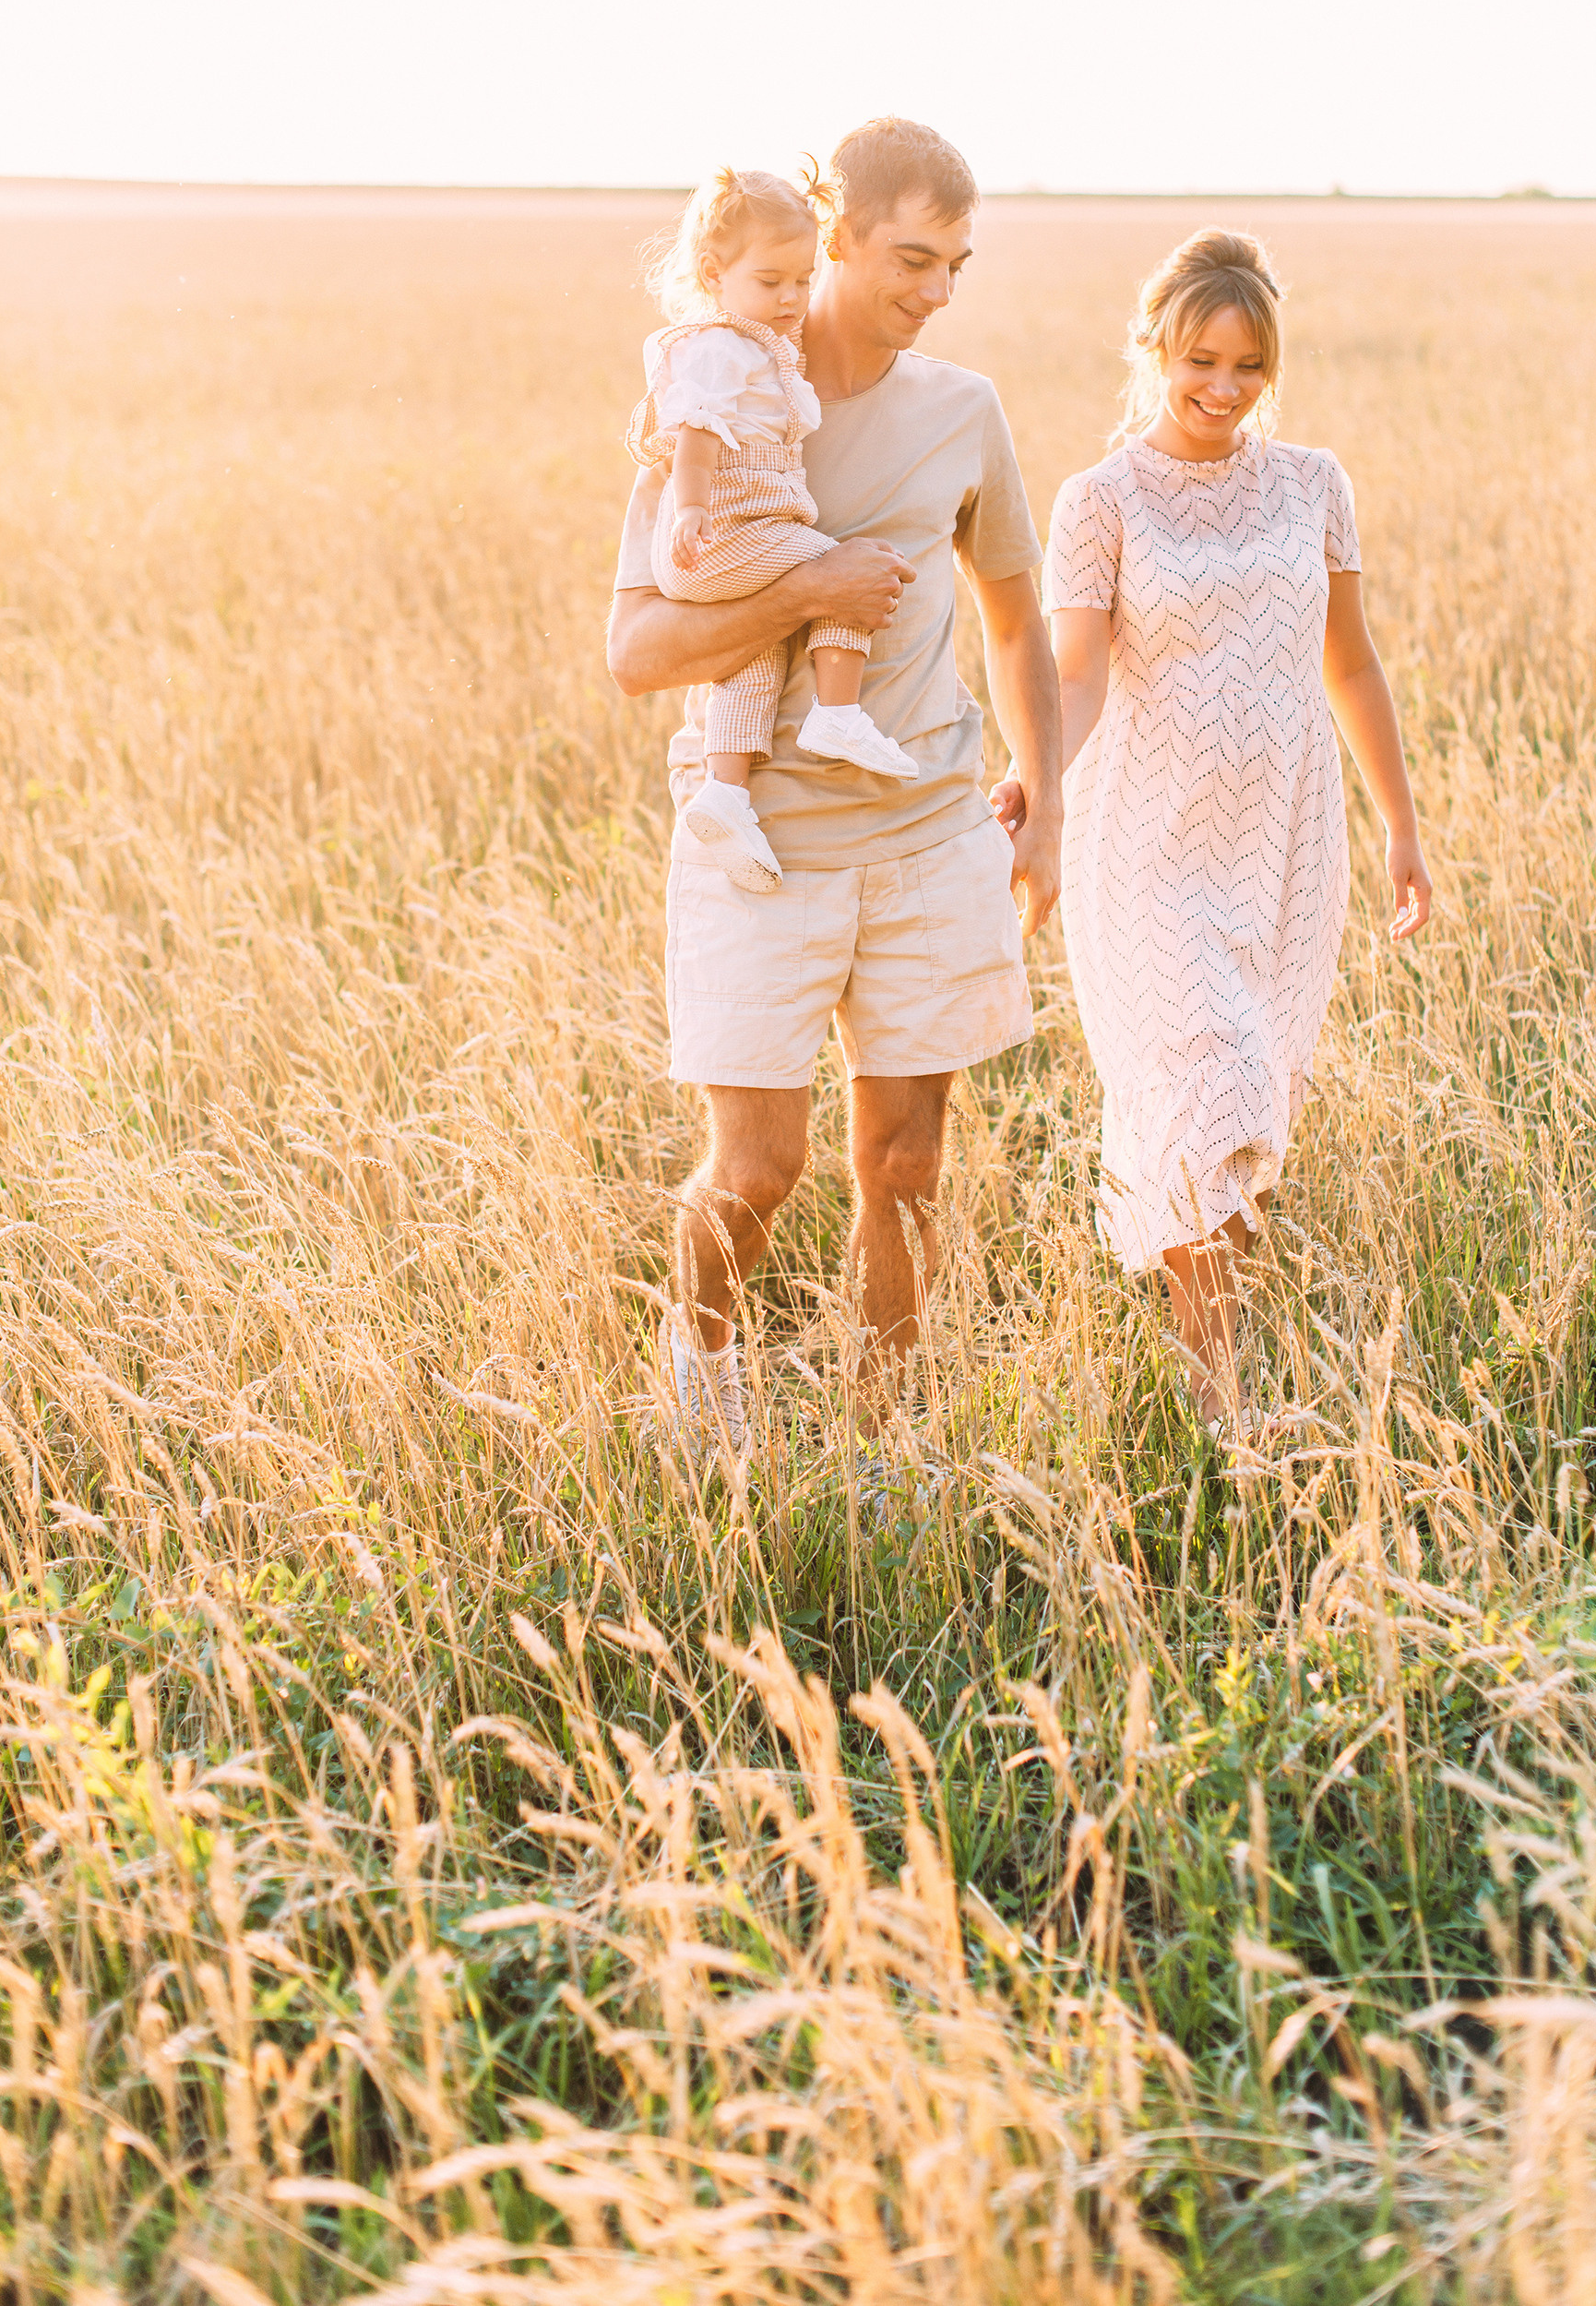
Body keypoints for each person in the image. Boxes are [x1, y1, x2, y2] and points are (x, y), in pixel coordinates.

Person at [607, 117, 1062, 1439]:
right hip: (766, 849)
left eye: (956, 267)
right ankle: (698, 1403)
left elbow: (1017, 622)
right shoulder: (722, 392)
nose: (933, 291)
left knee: (905, 1169)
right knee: (755, 1171)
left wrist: (1047, 805)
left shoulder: (966, 410)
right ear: (832, 235)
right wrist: (813, 582)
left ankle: (887, 1442)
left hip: (932, 837)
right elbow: (638, 651)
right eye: (911, 258)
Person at [1033, 227, 1431, 1427]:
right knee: (1207, 1090)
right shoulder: (1096, 502)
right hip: (1147, 839)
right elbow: (1080, 677)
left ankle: (1210, 1362)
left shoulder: (1315, 484)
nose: (1221, 389)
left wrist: (1404, 829)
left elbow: (1351, 665)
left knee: (1251, 1113)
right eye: (1201, 358)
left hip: (1285, 839)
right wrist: (1036, 787)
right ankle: (1224, 1409)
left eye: (1248, 367)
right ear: (1155, 346)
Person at [627, 165, 921, 898]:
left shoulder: (758, 344)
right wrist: (692, 508)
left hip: (730, 532)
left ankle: (725, 793)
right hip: (720, 531)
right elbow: (694, 431)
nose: (791, 298)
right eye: (770, 282)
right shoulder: (718, 347)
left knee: (753, 657)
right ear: (713, 273)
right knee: (840, 568)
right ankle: (836, 711)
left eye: (802, 279)